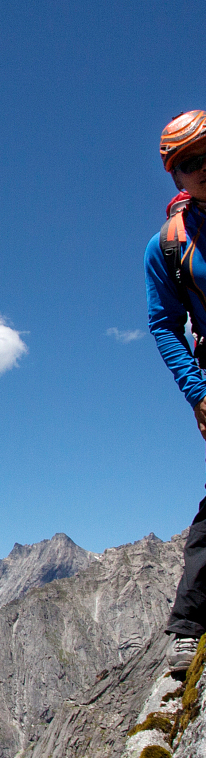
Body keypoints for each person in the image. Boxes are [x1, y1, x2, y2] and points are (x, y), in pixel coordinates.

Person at [146, 109, 206, 676]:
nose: (204, 167)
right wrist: (197, 391)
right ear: (176, 177)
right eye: (191, 162)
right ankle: (188, 629)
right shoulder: (168, 247)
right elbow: (164, 324)